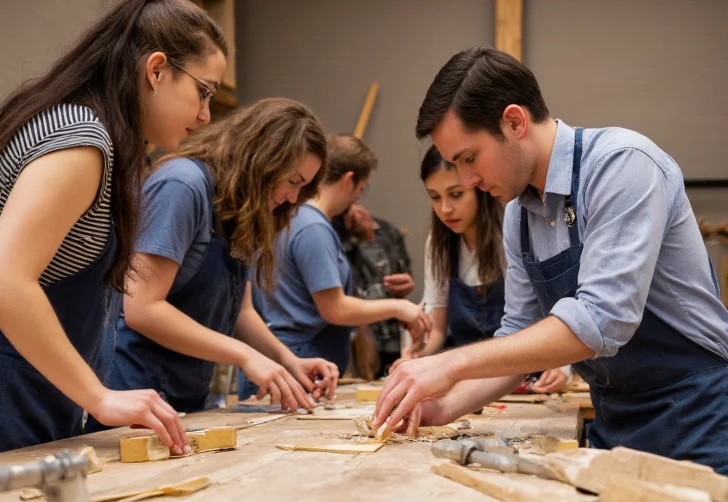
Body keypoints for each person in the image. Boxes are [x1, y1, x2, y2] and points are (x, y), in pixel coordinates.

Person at [373, 47, 728, 502]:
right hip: (618, 426)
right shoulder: (518, 216)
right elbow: (518, 342)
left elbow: (602, 320)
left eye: (469, 158)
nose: (465, 180)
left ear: (514, 122)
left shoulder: (623, 165)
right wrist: (443, 407)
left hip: (702, 417)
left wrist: (450, 362)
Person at [0, 0, 229, 454]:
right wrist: (99, 397)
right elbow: (7, 277)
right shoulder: (82, 139)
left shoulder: (111, 144)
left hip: (37, 398)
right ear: (157, 70)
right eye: (204, 91)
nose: (206, 114)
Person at [87, 99, 335, 423]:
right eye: (293, 181)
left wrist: (288, 363)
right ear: (263, 159)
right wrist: (245, 356)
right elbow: (143, 309)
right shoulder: (183, 185)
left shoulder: (243, 207)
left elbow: (242, 313)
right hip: (132, 391)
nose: (293, 198)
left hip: (184, 398)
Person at [239, 134, 431, 399]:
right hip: (300, 360)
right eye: (362, 188)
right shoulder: (313, 227)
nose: (358, 199)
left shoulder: (290, 216)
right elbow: (335, 308)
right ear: (349, 179)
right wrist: (399, 307)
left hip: (280, 357)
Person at [392, 145, 570, 392]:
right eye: (435, 197)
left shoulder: (509, 233)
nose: (445, 209)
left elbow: (539, 320)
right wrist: (416, 356)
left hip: (521, 376)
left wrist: (562, 366)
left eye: (455, 194)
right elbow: (439, 329)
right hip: (466, 380)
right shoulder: (438, 242)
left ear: (479, 188)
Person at [335, 203, 414, 376]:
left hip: (393, 334)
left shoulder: (387, 231)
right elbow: (336, 300)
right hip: (356, 339)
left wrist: (406, 284)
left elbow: (406, 272)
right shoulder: (332, 233)